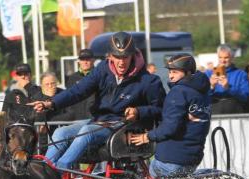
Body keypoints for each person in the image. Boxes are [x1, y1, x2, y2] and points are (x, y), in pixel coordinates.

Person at [32, 32, 166, 169]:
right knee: (60, 133)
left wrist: (139, 111)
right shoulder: (103, 69)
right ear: (110, 56)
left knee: (87, 131)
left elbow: (161, 109)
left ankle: (59, 171)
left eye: (125, 57)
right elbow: (78, 91)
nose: (121, 62)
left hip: (123, 126)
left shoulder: (148, 81)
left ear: (133, 55)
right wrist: (51, 103)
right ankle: (43, 170)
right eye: (117, 57)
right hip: (98, 121)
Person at [129, 54, 211, 178]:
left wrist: (147, 136)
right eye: (170, 72)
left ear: (188, 72)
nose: (171, 75)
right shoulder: (202, 93)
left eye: (175, 72)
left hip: (171, 160)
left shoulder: (179, 91)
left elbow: (170, 127)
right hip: (192, 161)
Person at [205, 44, 249, 114]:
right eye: (220, 57)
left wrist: (228, 88)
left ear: (232, 57)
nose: (223, 60)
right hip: (214, 113)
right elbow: (201, 98)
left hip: (234, 113)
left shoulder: (241, 74)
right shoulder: (209, 73)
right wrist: (211, 87)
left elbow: (244, 97)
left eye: (226, 57)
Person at [64, 49, 96, 120]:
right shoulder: (72, 78)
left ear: (93, 60)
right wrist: (71, 115)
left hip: (94, 120)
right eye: (82, 59)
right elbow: (68, 99)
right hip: (76, 120)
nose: (85, 62)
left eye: (88, 59)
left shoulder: (99, 76)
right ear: (78, 61)